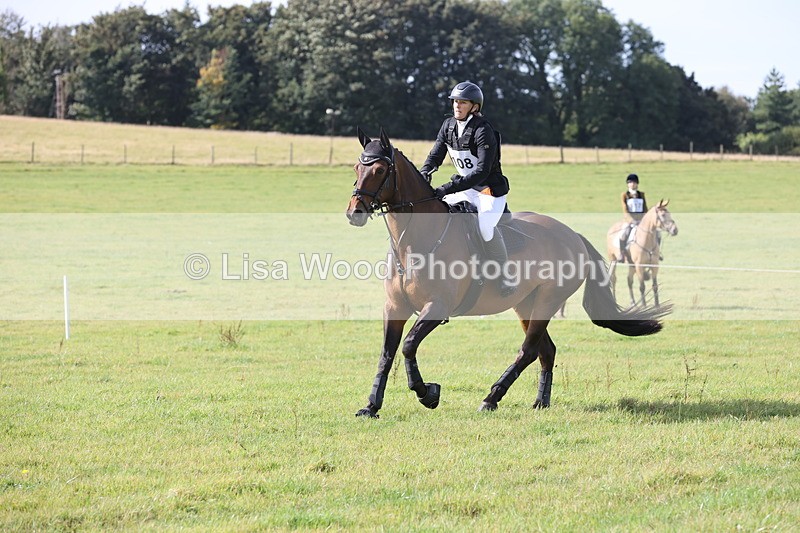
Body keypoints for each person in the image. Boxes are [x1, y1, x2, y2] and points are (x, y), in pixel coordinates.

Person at [420, 81, 515, 296]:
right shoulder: (448, 126)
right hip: (465, 188)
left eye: (462, 102)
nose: (456, 106)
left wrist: (447, 188)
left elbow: (481, 171)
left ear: (474, 106)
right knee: (436, 212)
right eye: (455, 101)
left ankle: (505, 274)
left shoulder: (483, 130)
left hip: (488, 190)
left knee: (485, 228)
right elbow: (435, 155)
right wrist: (425, 171)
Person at [619, 173, 648, 263]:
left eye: (634, 182)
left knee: (656, 233)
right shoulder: (624, 195)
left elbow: (645, 208)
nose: (632, 184)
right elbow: (625, 210)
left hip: (641, 220)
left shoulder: (641, 194)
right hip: (630, 220)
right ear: (628, 184)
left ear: (637, 184)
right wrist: (631, 220)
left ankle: (656, 253)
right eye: (630, 182)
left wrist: (644, 220)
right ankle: (622, 253)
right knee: (623, 234)